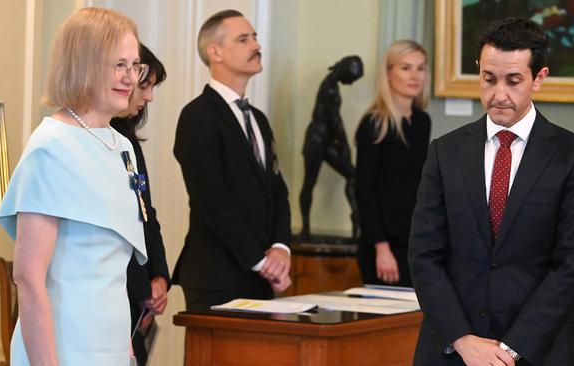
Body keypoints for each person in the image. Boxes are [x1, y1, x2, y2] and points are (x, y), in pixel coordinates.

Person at [409, 17, 574, 366]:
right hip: (452, 352)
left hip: (537, 352)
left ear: (538, 78)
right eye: (488, 79)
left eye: (513, 81)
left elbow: (572, 266)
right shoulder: (445, 152)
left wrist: (509, 350)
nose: (499, 95)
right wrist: (465, 341)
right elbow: (424, 255)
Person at [0, 7, 149, 365]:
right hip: (62, 348)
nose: (131, 78)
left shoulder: (121, 146)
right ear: (85, 64)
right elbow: (28, 278)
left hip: (111, 346)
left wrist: (124, 350)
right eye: (119, 65)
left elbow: (112, 269)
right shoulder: (51, 147)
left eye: (135, 65)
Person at [172, 9, 292, 311]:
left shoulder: (259, 120)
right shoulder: (197, 116)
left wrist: (280, 248)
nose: (256, 46)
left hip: (261, 277)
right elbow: (211, 200)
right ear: (216, 52)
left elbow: (277, 191)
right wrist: (260, 261)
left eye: (255, 37)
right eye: (243, 39)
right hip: (217, 276)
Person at [110, 43, 168, 366]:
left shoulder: (128, 142)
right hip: (118, 293)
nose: (148, 97)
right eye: (145, 85)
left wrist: (159, 274)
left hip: (137, 294)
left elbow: (145, 212)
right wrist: (141, 286)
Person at [355, 40, 431, 287]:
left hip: (415, 242)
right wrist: (381, 248)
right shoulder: (374, 123)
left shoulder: (421, 121)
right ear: (388, 73)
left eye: (420, 68)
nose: (415, 76)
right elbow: (364, 190)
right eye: (406, 68)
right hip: (383, 247)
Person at [299, 55, 363, 240]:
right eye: (352, 79)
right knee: (309, 183)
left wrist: (343, 145)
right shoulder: (330, 89)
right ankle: (305, 229)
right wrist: (345, 146)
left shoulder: (332, 85)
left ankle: (356, 225)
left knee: (352, 175)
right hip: (316, 139)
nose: (351, 84)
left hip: (325, 140)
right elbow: (335, 121)